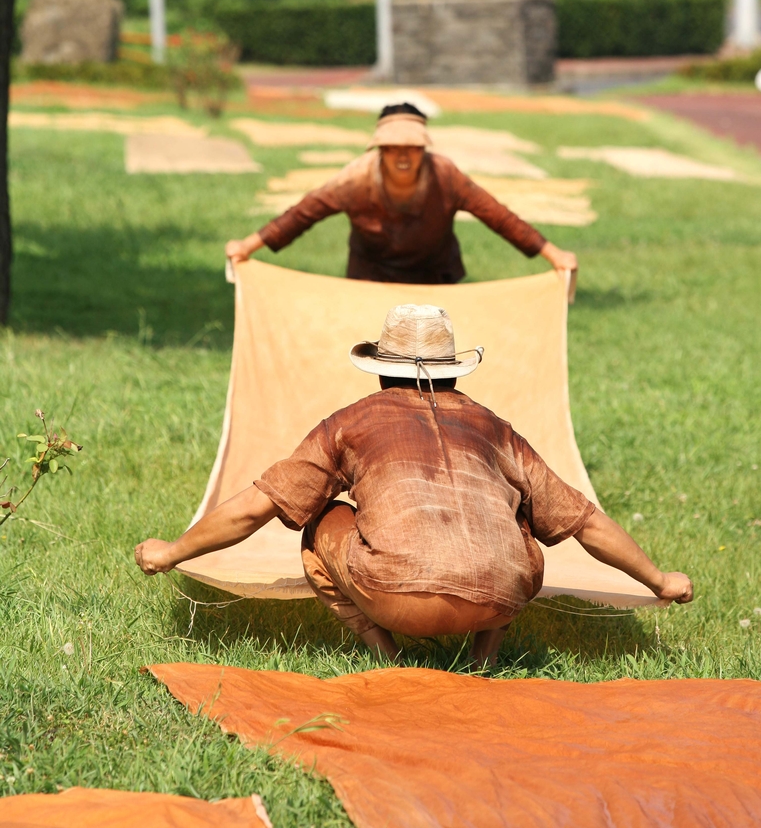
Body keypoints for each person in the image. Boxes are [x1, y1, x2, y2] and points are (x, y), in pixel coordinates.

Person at [135, 304, 693, 668]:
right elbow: (584, 522)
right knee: (524, 518)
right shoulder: (494, 427)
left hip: (394, 598)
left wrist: (173, 551)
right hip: (499, 602)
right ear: (453, 371)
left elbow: (256, 506)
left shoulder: (350, 422)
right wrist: (658, 578)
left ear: (379, 370)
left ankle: (385, 654)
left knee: (315, 518)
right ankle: (481, 661)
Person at [225, 103, 577, 284]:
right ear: (379, 150)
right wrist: (246, 247)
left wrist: (554, 255)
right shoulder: (356, 179)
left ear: (424, 149)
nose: (403, 156)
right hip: (371, 276)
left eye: (411, 147)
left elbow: (498, 216)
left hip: (433, 276)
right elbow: (303, 214)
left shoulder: (445, 177)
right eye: (393, 148)